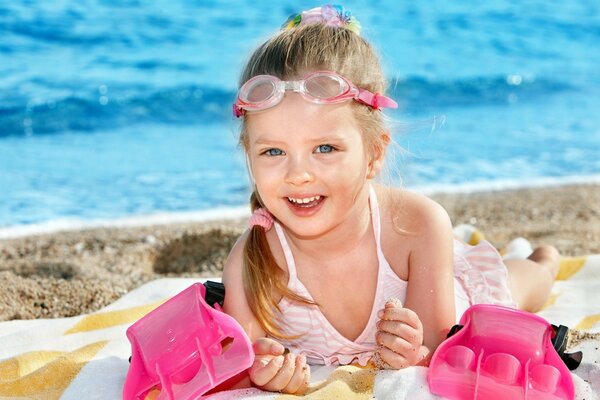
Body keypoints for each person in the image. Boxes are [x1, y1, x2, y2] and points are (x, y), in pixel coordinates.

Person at [222, 5, 560, 395]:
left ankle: (544, 260)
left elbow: (438, 349)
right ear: (249, 155)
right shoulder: (251, 260)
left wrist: (414, 351)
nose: (298, 174)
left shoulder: (418, 224)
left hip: (455, 298)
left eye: (326, 148)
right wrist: (267, 372)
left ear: (374, 153)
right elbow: (243, 363)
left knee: (518, 287)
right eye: (273, 152)